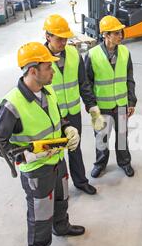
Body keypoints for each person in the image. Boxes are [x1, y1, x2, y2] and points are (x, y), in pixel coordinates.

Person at [0, 42, 85, 246]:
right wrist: (23, 155)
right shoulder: (13, 105)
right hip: (36, 170)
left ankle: (61, 226)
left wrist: (67, 128)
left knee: (61, 198)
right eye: (48, 67)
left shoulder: (48, 91)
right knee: (41, 213)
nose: (53, 71)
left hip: (56, 161)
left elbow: (56, 119)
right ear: (33, 71)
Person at [43, 14, 105, 195]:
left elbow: (83, 83)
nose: (63, 42)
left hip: (73, 112)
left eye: (65, 38)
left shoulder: (73, 53)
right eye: (59, 38)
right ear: (48, 36)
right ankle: (57, 190)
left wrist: (92, 108)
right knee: (54, 154)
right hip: (52, 117)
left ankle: (80, 181)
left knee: (74, 148)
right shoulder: (40, 59)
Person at [84, 15, 137, 178]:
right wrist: (91, 107)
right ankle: (100, 164)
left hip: (121, 104)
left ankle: (125, 162)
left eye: (120, 32)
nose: (120, 35)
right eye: (116, 33)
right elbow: (87, 83)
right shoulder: (92, 55)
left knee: (122, 136)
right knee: (101, 138)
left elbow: (129, 78)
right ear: (105, 35)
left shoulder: (125, 52)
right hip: (101, 106)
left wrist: (131, 101)